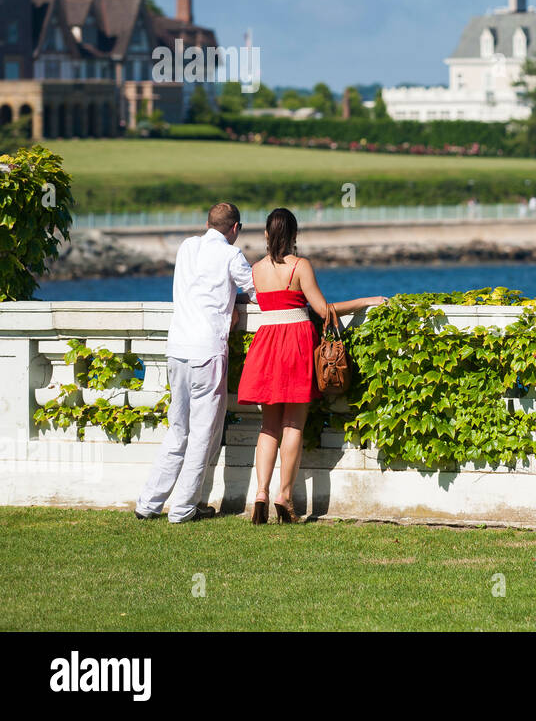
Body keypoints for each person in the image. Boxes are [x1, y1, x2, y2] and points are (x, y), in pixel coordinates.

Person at [237, 207, 386, 524]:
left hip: (266, 343)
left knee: (269, 426)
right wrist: (366, 300)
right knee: (294, 424)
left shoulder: (256, 270)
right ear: (294, 236)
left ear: (266, 235)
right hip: (296, 343)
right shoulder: (300, 266)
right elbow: (323, 309)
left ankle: (260, 493)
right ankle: (285, 496)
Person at [136, 203, 256, 523]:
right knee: (203, 433)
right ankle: (183, 508)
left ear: (207, 223)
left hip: (177, 347)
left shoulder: (187, 246)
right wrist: (236, 298)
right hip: (207, 351)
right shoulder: (232, 256)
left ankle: (149, 502)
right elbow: (257, 292)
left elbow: (201, 286)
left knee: (177, 430)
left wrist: (229, 295)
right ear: (235, 229)